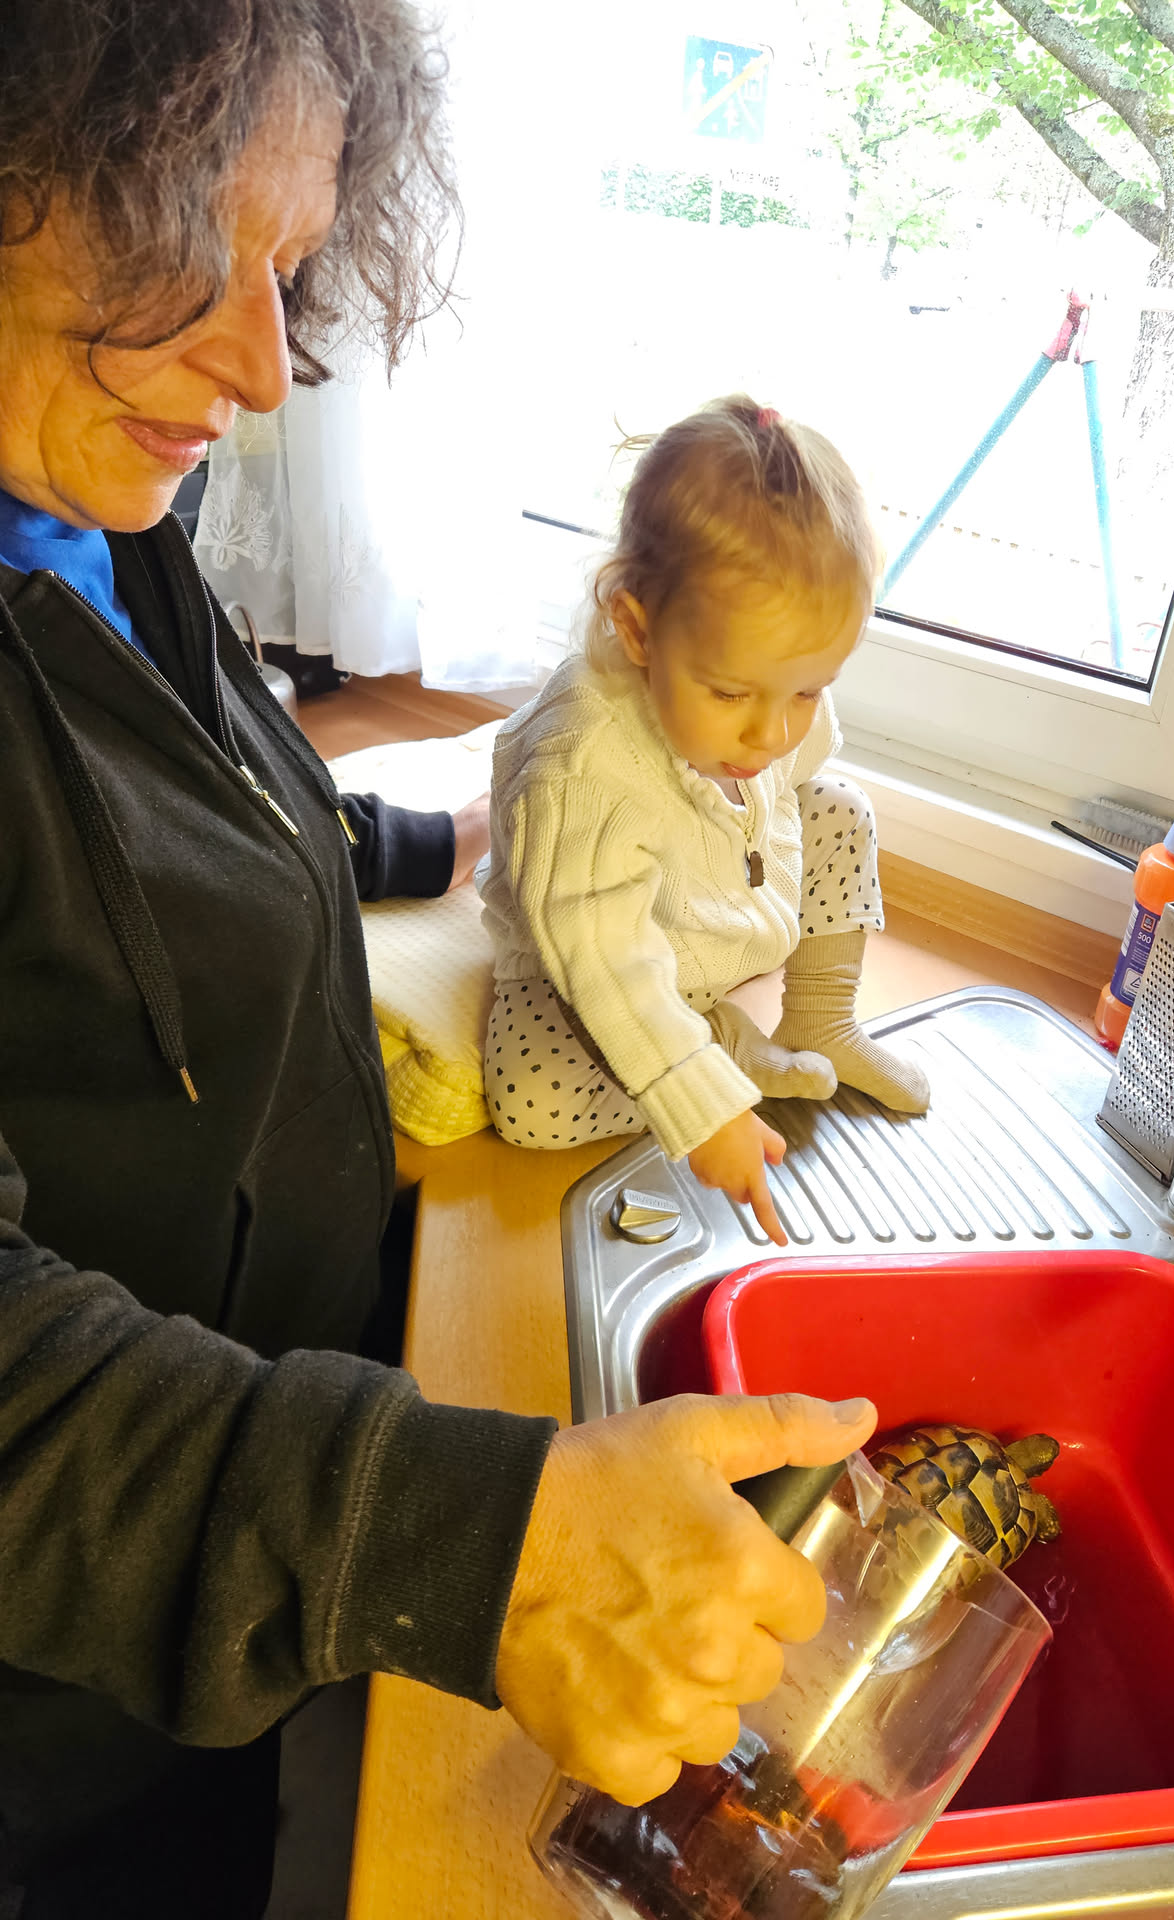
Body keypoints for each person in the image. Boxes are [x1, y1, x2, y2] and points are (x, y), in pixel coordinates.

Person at [0, 3, 877, 1912]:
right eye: (178, 243)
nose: (259, 363)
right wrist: (479, 1546)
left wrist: (406, 842)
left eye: (290, 266)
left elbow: (174, 778)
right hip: (66, 1706)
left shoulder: (84, 504)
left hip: (250, 1534)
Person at [481, 399, 930, 1243]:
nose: (772, 733)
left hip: (710, 911)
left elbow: (797, 788)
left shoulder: (768, 710)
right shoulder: (581, 768)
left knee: (841, 808)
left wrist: (772, 819)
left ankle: (822, 1021)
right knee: (530, 1103)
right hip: (591, 955)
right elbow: (607, 961)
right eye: (730, 694)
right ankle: (713, 1048)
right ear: (635, 628)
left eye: (808, 690)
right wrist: (702, 1106)